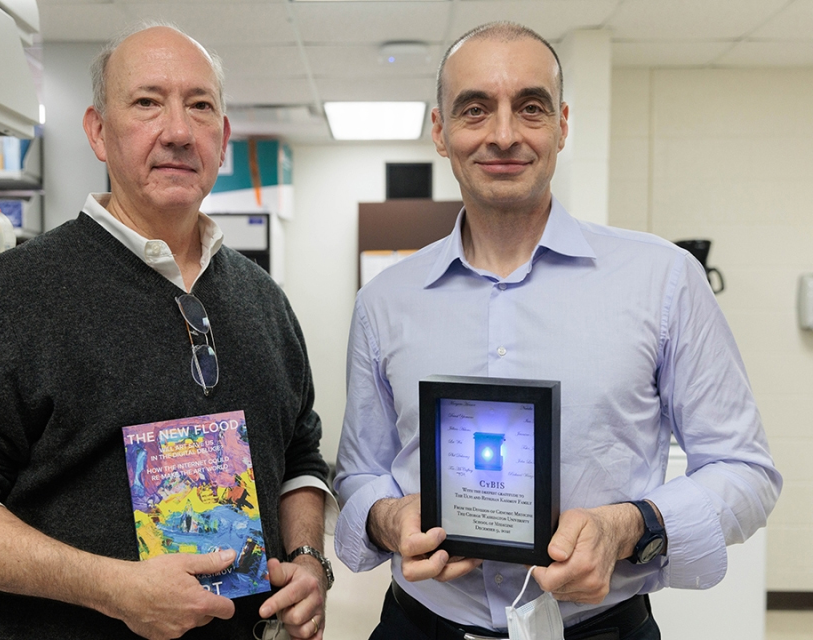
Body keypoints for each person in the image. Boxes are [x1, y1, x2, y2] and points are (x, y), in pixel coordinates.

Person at [0, 22, 333, 640]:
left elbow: (301, 455)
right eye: (147, 103)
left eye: (200, 106)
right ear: (97, 131)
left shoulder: (263, 301)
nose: (178, 130)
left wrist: (308, 559)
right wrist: (112, 588)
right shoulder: (12, 297)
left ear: (222, 138)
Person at [333, 21, 781, 640]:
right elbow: (357, 472)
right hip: (421, 624)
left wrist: (630, 526)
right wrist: (388, 517)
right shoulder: (385, 301)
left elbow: (745, 469)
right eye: (475, 109)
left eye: (531, 107)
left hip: (600, 627)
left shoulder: (664, 280)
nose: (504, 134)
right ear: (440, 130)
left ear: (563, 124)